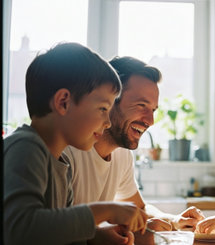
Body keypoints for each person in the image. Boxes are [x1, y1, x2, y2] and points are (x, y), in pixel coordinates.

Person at [3, 42, 149, 245]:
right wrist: (105, 210)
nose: (107, 122)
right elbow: (21, 229)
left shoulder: (61, 163)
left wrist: (97, 238)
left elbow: (56, 234)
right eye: (103, 109)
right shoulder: (25, 148)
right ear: (63, 102)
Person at [63, 56, 204, 244]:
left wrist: (174, 220)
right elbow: (47, 230)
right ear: (110, 100)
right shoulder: (67, 151)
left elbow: (138, 209)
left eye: (153, 109)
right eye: (141, 105)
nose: (150, 120)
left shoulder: (122, 154)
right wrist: (95, 239)